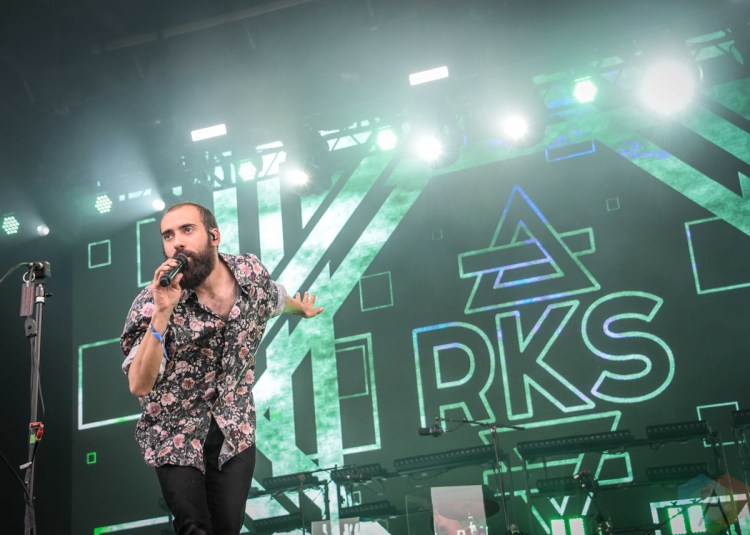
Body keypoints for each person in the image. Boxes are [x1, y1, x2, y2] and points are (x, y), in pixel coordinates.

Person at [120, 202, 323, 534]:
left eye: (187, 230)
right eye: (168, 236)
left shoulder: (249, 275)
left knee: (227, 526)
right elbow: (139, 385)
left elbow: (274, 298)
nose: (177, 242)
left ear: (214, 236)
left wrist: (300, 309)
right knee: (195, 525)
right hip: (175, 430)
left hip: (233, 425)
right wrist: (162, 312)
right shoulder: (151, 302)